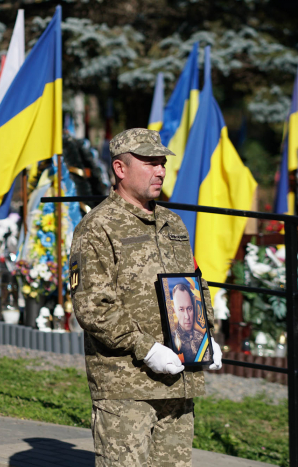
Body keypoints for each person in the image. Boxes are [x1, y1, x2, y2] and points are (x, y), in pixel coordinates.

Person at [69, 128, 223, 466]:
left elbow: (195, 283)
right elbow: (93, 306)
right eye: (150, 163)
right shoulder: (97, 228)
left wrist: (205, 332)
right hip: (127, 386)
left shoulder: (172, 224)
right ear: (120, 169)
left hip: (179, 383)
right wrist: (147, 348)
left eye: (163, 163)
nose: (160, 171)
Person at [172, 282, 205, 363]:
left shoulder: (202, 338)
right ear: (175, 311)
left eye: (189, 308)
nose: (187, 316)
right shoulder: (171, 340)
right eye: (181, 309)